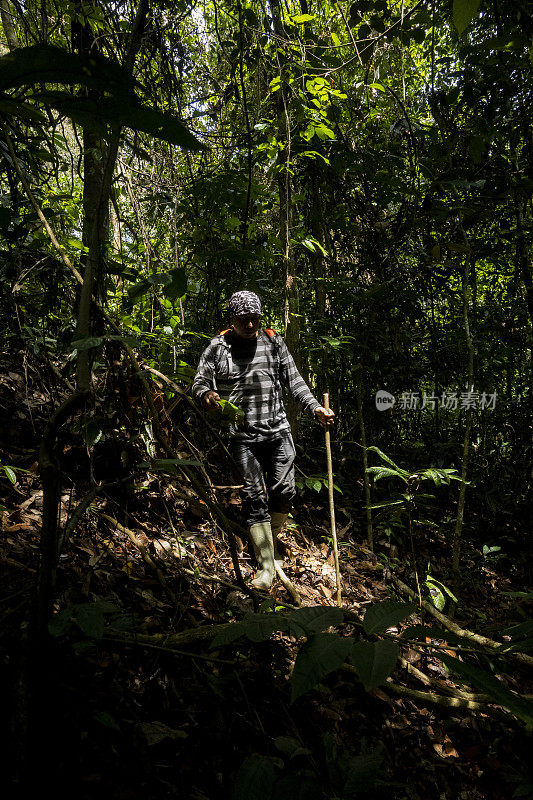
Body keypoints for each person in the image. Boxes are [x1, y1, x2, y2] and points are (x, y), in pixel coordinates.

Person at [192, 290, 335, 590]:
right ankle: (267, 565)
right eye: (243, 320)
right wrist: (206, 394)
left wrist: (315, 408)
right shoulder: (218, 348)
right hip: (242, 436)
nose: (250, 325)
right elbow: (200, 381)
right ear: (231, 320)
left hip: (278, 430)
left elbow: (295, 381)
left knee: (285, 489)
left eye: (254, 319)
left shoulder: (273, 342)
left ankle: (269, 538)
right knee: (254, 494)